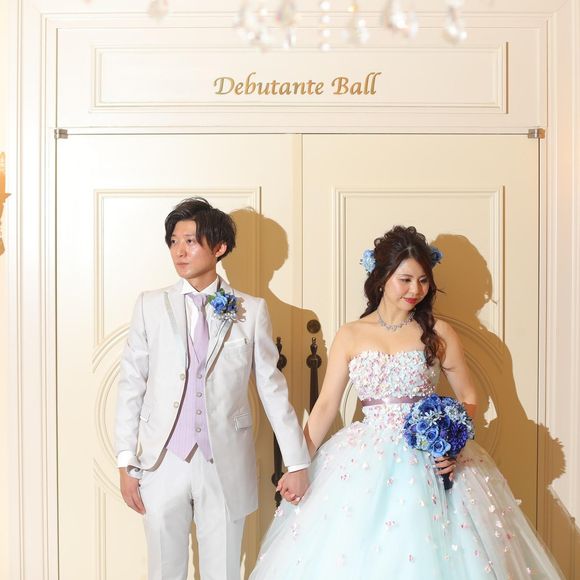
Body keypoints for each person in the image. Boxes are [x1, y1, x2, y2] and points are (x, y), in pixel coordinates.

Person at [250, 225, 563, 579]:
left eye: (423, 280)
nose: (416, 290)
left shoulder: (438, 332)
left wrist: (451, 443)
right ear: (382, 278)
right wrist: (298, 465)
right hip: (364, 459)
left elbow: (469, 397)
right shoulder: (351, 334)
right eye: (406, 280)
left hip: (428, 457)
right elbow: (325, 407)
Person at [115, 197, 310, 580]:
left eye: (190, 241)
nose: (179, 251)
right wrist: (126, 459)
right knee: (163, 570)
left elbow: (272, 389)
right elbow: (131, 383)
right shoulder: (150, 305)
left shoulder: (250, 310)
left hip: (224, 461)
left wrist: (297, 462)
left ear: (219, 247)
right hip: (161, 459)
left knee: (222, 570)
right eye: (174, 241)